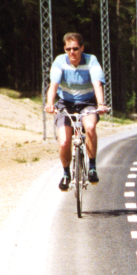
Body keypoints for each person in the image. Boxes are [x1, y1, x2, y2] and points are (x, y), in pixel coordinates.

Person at [44, 33, 110, 191]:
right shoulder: (60, 61)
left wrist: (101, 104)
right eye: (68, 49)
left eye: (75, 48)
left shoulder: (91, 60)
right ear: (64, 49)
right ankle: (66, 174)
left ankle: (92, 167)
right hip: (65, 103)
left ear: (82, 48)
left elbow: (97, 85)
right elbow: (53, 85)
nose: (72, 52)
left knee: (90, 128)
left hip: (87, 103)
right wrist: (49, 103)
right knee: (65, 141)